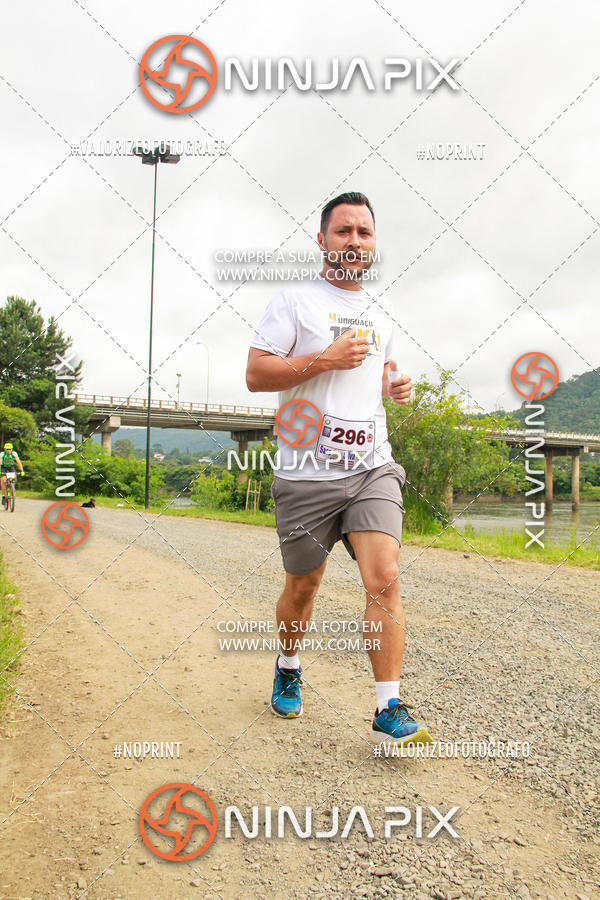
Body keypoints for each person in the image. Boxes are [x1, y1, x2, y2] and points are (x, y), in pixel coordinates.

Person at [246, 191, 432, 745]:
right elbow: (257, 374)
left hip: (371, 463)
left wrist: (393, 388)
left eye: (364, 233)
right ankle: (288, 664)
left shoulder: (385, 309)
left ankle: (387, 707)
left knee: (385, 577)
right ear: (323, 240)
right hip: (307, 469)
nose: (355, 241)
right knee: (305, 585)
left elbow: (373, 380)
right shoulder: (295, 300)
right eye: (344, 231)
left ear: (374, 243)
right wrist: (324, 358)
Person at [1, 442, 25, 507]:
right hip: (3, 467)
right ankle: (3, 496)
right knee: (4, 480)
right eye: (7, 449)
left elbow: (18, 462)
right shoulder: (2, 454)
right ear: (5, 449)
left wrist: (21, 470)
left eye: (10, 449)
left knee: (14, 476)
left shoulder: (14, 454)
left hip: (10, 466)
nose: (8, 450)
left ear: (11, 449)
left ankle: (12, 487)